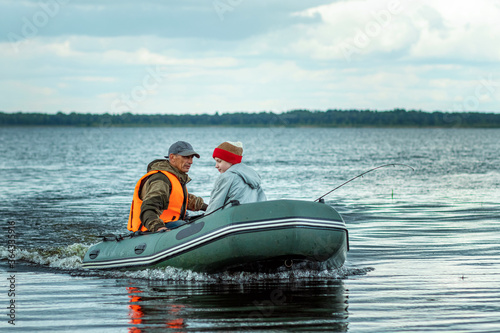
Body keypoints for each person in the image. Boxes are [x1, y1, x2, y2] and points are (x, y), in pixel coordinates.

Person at [127, 141, 208, 233]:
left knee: (186, 221)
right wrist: (159, 227)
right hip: (151, 230)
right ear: (172, 157)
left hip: (171, 223)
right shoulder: (161, 179)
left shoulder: (175, 177)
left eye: (191, 157)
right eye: (186, 157)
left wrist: (209, 208)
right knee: (183, 226)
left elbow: (183, 199)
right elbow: (148, 209)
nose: (191, 162)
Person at [206, 141, 266, 214]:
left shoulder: (227, 177)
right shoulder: (253, 176)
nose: (216, 166)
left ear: (230, 160)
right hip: (251, 217)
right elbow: (262, 200)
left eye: (219, 161)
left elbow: (215, 206)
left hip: (231, 218)